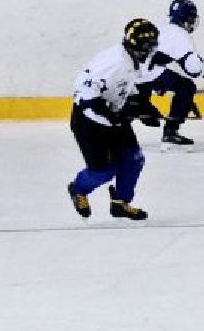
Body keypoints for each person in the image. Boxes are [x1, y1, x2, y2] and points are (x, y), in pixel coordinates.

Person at [65, 18, 161, 221]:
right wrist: (112, 117)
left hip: (112, 116)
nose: (150, 50)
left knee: (133, 158)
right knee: (103, 172)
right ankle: (78, 189)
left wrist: (145, 109)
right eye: (147, 46)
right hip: (89, 121)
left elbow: (128, 88)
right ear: (134, 44)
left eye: (153, 45)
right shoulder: (113, 61)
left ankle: (121, 203)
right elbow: (85, 96)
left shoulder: (133, 60)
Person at [144, 0, 204, 148]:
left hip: (136, 72)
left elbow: (181, 59)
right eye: (191, 18)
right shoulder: (180, 35)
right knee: (186, 87)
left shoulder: (163, 29)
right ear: (186, 19)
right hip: (149, 72)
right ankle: (171, 131)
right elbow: (193, 67)